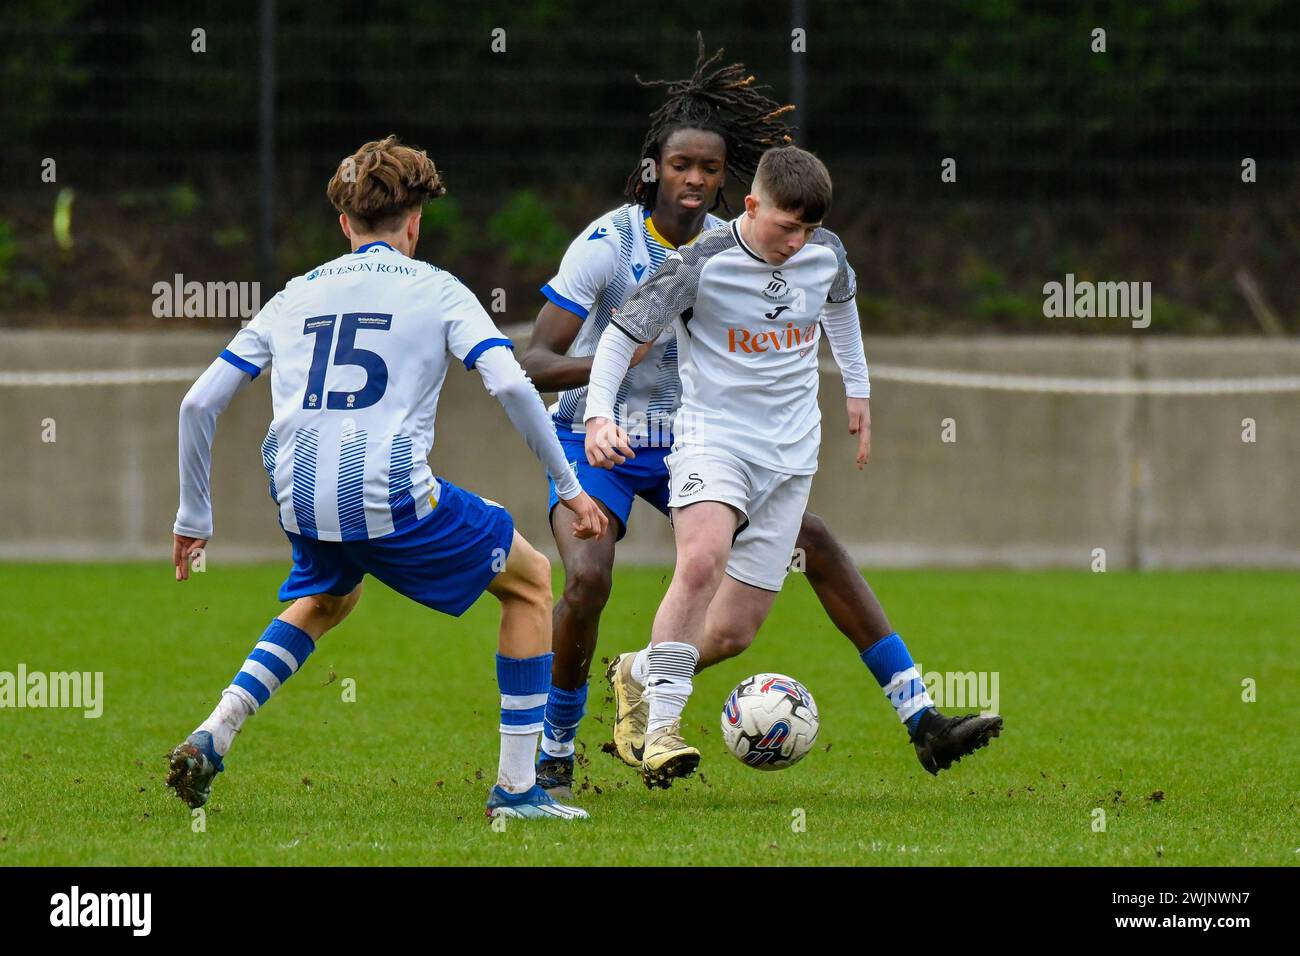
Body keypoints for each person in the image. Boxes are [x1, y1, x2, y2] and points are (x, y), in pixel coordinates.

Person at [523, 41, 1000, 796]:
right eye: (681, 166)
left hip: (704, 437)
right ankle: (560, 737)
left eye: (709, 169)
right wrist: (614, 396)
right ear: (655, 167)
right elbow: (539, 358)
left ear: (728, 183)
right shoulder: (611, 246)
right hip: (604, 438)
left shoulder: (776, 251)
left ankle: (913, 715)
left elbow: (837, 303)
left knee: (798, 561)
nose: (694, 180)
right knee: (591, 576)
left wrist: (858, 394)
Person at [165, 135, 606, 820]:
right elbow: (515, 387)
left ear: (345, 224)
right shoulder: (438, 288)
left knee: (332, 595)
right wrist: (570, 485)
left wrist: (194, 519)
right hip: (385, 492)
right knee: (531, 582)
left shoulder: (294, 293)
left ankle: (212, 733)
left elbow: (198, 403)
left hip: (298, 492)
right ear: (415, 221)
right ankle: (518, 793)